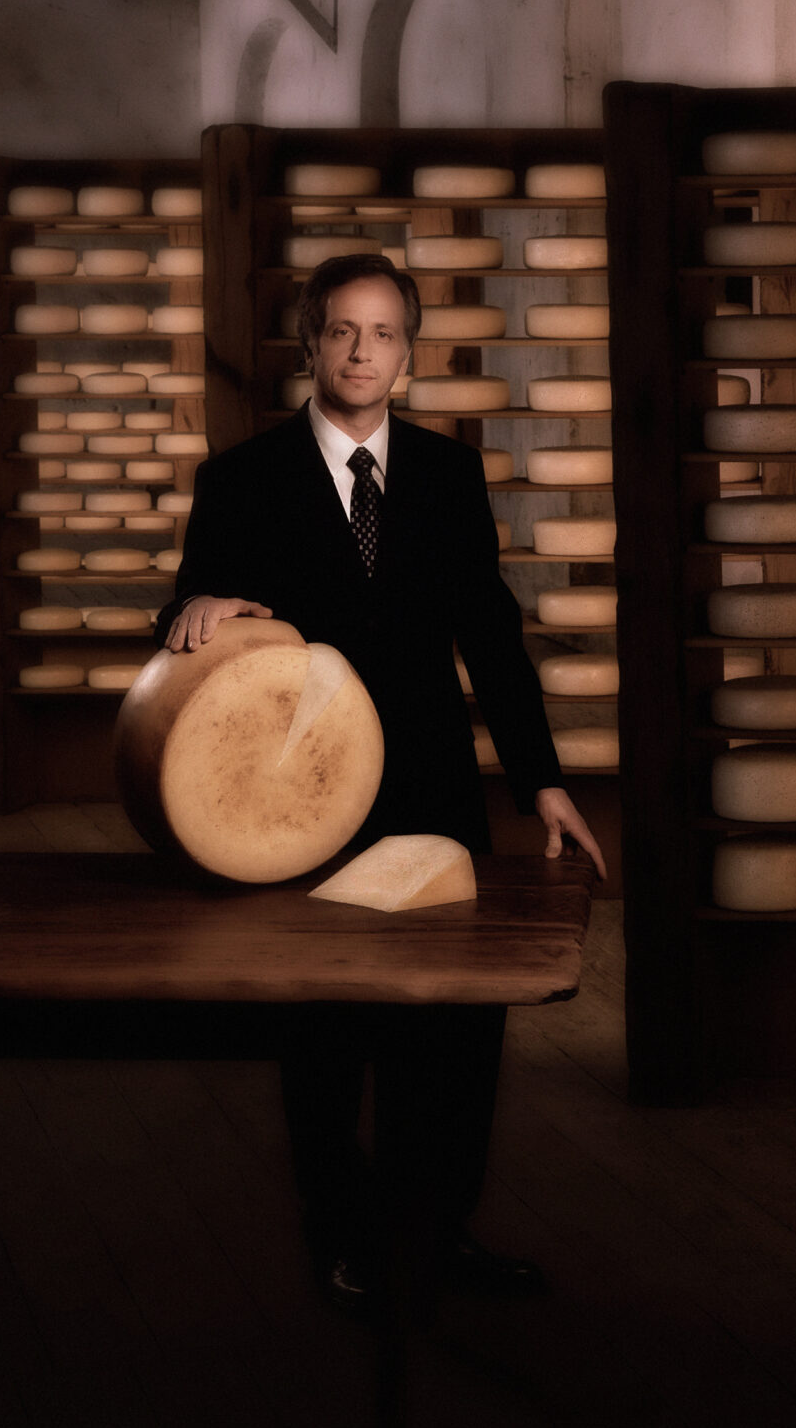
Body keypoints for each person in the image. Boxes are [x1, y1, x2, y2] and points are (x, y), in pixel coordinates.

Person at [157, 250, 603, 1314]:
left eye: (385, 334)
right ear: (309, 344)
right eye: (343, 332)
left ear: (410, 352)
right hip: (298, 795)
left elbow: (490, 637)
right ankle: (345, 1239)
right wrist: (205, 605)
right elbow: (175, 629)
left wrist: (539, 780)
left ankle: (437, 1232)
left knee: (456, 1028)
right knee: (326, 1029)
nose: (363, 353)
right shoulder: (243, 477)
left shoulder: (449, 474)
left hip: (435, 791)